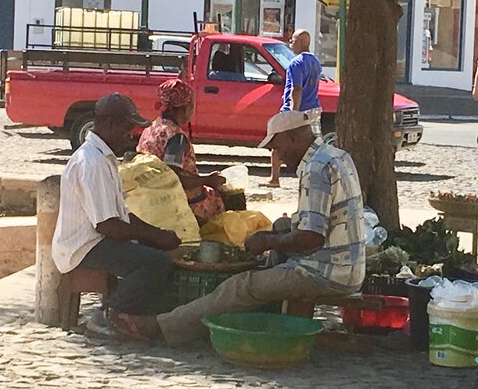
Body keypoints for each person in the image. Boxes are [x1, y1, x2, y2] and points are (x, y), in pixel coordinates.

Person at [152, 110, 365, 346]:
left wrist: (267, 241)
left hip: (327, 273)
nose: (277, 156)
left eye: (277, 147)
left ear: (293, 138)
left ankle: (163, 326)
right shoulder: (336, 155)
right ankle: (270, 303)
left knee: (241, 286)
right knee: (282, 225)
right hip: (349, 266)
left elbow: (311, 239)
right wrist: (277, 234)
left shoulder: (315, 168)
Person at [52, 93, 181, 338]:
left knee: (157, 251)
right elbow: (108, 226)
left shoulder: (103, 157)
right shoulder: (93, 163)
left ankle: (138, 313)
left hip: (97, 239)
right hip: (84, 247)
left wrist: (156, 234)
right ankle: (107, 314)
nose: (129, 134)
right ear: (110, 124)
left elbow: (121, 214)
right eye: (127, 127)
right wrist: (154, 235)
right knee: (156, 262)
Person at [136, 78, 227, 233]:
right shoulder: (175, 137)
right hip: (177, 201)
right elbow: (172, 179)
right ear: (184, 108)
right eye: (191, 105)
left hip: (150, 193)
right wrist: (207, 180)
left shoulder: (152, 128)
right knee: (223, 200)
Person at [266, 29, 322, 187]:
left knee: (278, 143)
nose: (290, 43)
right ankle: (311, 180)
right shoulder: (316, 63)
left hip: (298, 110)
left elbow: (296, 89)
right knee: (311, 148)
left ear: (303, 42)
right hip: (313, 109)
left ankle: (274, 178)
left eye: (293, 40)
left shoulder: (296, 63)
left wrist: (292, 113)